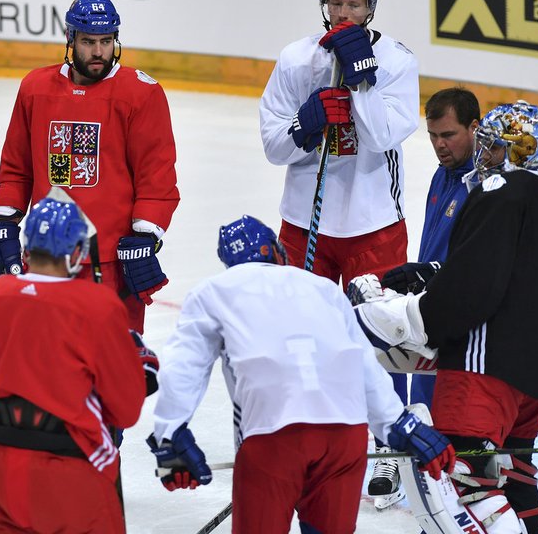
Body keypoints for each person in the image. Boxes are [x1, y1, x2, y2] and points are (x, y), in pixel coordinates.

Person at [352, 101, 538, 533]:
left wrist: (418, 322)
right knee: (514, 475)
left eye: (489, 147)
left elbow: (473, 289)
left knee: (466, 485)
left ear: (507, 149)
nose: (483, 155)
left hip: (485, 374)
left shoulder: (495, 192)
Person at [147, 215, 454, 534]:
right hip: (343, 437)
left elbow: (185, 364)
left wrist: (171, 433)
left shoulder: (212, 292)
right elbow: (360, 362)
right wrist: (399, 425)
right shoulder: (323, 288)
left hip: (274, 437)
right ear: (277, 252)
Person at [0, 0, 180, 333]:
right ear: (71, 40)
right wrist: (5, 220)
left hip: (113, 263)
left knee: (112, 368)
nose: (99, 51)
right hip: (47, 257)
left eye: (106, 41)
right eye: (88, 41)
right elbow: (17, 167)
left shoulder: (141, 93)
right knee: (43, 355)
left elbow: (156, 176)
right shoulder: (35, 88)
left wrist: (146, 237)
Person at [0, 193, 148, 534]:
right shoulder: (97, 306)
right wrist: (140, 368)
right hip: (71, 474)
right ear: (79, 253)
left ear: (25, 251)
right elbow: (125, 411)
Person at [258, 0, 418, 287]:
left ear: (370, 8)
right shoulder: (295, 58)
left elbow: (381, 137)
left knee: (377, 328)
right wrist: (302, 127)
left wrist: (361, 83)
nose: (342, 12)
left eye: (354, 4)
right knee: (301, 325)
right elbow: (274, 148)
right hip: (304, 222)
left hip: (373, 224)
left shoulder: (397, 61)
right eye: (336, 2)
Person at [366, 87, 482, 507]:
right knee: (395, 366)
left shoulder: (483, 184)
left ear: (475, 127)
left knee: (436, 408)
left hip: (458, 313)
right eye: (432, 135)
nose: (438, 145)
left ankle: (443, 490)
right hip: (427, 304)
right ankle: (393, 454)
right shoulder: (442, 173)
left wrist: (434, 276)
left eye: (448, 135)